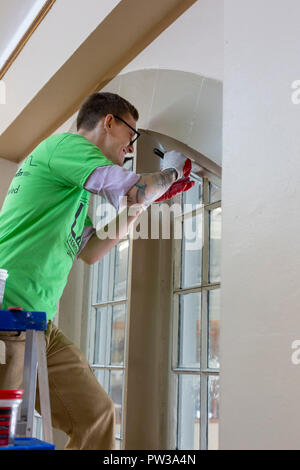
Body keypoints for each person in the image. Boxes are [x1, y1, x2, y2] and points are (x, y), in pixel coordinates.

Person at [0, 92, 194, 449]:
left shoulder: (75, 189)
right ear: (109, 122)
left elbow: (91, 250)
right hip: (6, 313)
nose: (130, 148)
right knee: (4, 433)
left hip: (38, 322)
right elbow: (136, 188)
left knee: (96, 414)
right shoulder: (65, 147)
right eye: (130, 136)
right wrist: (170, 171)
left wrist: (143, 202)